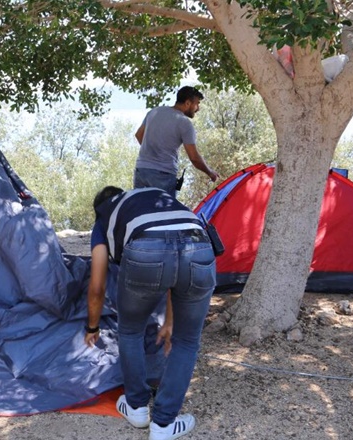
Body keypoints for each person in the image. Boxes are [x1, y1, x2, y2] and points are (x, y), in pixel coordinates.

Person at [84, 185, 216, 440]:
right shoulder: (150, 197)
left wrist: (92, 327)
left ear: (98, 207)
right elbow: (176, 262)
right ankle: (164, 424)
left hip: (146, 249)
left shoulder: (105, 216)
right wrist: (170, 319)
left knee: (131, 331)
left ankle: (136, 408)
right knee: (186, 342)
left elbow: (97, 285)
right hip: (200, 246)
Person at [134, 86, 219, 197]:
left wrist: (154, 152)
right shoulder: (184, 123)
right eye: (197, 104)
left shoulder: (154, 112)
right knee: (164, 214)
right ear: (188, 103)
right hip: (163, 175)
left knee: (141, 211)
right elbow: (194, 157)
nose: (198, 108)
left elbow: (139, 135)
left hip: (141, 171)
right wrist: (210, 172)